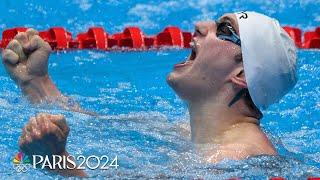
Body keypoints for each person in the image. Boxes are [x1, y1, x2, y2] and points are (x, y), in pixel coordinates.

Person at [1, 11, 297, 177]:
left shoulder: (229, 161)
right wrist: (38, 85)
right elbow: (105, 125)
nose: (201, 25)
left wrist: (60, 164)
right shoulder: (189, 134)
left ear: (242, 74)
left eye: (223, 29)